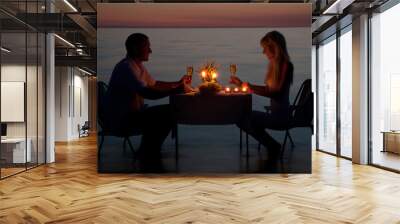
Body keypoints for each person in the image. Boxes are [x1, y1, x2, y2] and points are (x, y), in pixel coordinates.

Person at [105, 33, 190, 158]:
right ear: (135, 48)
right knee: (170, 112)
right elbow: (147, 93)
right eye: (147, 46)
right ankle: (148, 152)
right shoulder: (126, 68)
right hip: (123, 120)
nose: (150, 51)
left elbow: (155, 84)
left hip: (132, 115)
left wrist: (177, 83)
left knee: (170, 110)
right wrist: (175, 90)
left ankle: (149, 150)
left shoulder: (138, 66)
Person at [230, 31, 293, 157]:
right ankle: (272, 146)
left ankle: (272, 146)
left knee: (240, 117)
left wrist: (250, 87)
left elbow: (276, 93)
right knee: (241, 117)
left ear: (273, 47)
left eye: (265, 48)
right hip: (275, 113)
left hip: (281, 118)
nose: (263, 52)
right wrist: (244, 85)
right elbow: (270, 90)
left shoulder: (286, 66)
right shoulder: (274, 66)